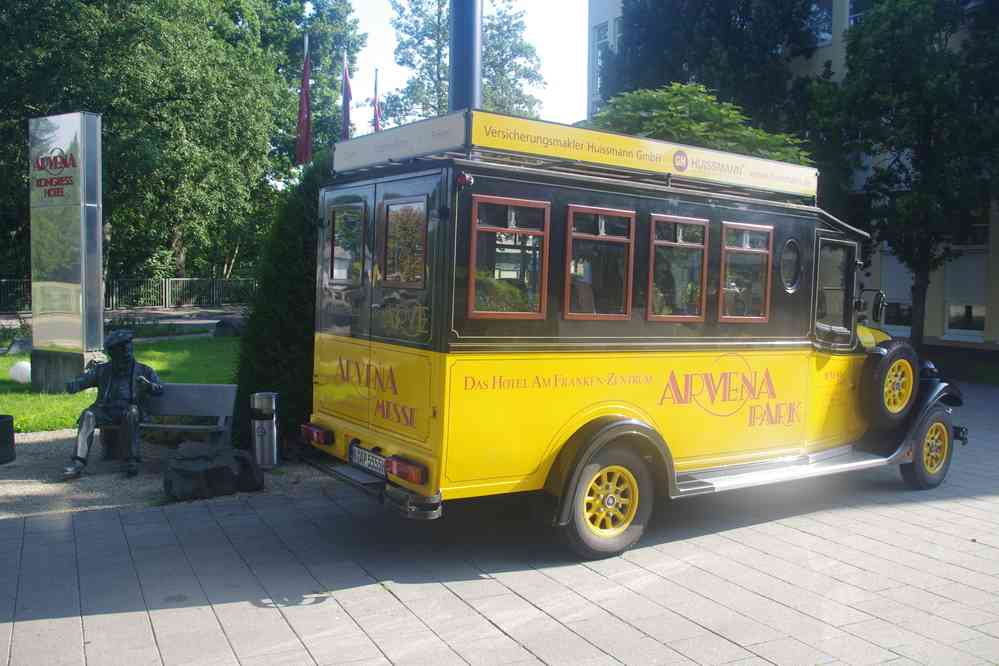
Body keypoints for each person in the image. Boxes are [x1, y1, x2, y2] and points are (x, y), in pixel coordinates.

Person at [63, 330, 163, 479]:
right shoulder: (102, 370)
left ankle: (131, 461)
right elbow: (83, 381)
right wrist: (74, 385)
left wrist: (149, 386)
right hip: (106, 410)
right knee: (88, 414)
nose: (127, 356)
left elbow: (159, 389)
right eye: (122, 355)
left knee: (132, 412)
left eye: (128, 352)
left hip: (129, 410)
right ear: (113, 355)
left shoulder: (144, 370)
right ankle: (78, 462)